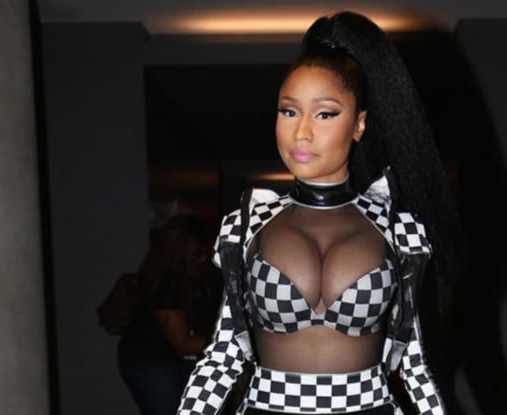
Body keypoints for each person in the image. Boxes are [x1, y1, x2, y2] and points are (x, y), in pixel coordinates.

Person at [178, 11, 460, 415]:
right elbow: (220, 359)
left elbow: (418, 368)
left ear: (359, 124)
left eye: (325, 113)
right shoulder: (244, 227)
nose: (301, 132)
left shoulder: (400, 231)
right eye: (289, 111)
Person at [118, 214, 216, 415]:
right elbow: (183, 343)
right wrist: (236, 343)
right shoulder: (165, 285)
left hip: (183, 361)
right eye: (200, 251)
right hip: (151, 361)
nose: (206, 257)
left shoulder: (198, 277)